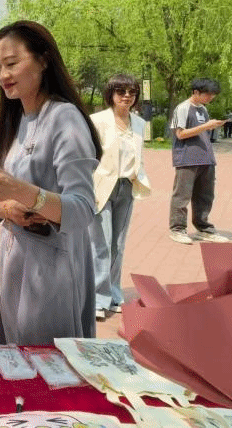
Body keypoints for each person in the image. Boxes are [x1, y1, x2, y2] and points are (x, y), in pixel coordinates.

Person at [0, 20, 101, 346]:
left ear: (43, 60)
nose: (3, 75)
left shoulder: (64, 118)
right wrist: (5, 206)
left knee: (45, 364)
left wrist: (24, 193)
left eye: (12, 63)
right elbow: (0, 198)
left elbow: (83, 208)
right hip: (14, 262)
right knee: (14, 360)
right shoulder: (16, 120)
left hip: (52, 270)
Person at [88, 75, 151, 322]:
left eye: (132, 92)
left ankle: (113, 294)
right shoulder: (97, 121)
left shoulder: (139, 123)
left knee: (118, 244)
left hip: (126, 187)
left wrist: (138, 177)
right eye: (121, 91)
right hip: (102, 187)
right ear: (111, 94)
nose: (127, 96)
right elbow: (89, 155)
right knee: (101, 244)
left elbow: (138, 155)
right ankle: (97, 298)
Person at [168, 78, 229, 245]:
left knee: (205, 196)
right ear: (196, 92)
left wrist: (210, 126)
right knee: (182, 195)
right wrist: (206, 126)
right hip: (187, 159)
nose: (211, 98)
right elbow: (180, 134)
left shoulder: (203, 109)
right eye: (208, 94)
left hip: (206, 158)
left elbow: (202, 131)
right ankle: (177, 229)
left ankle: (203, 229)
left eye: (213, 95)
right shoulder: (182, 108)